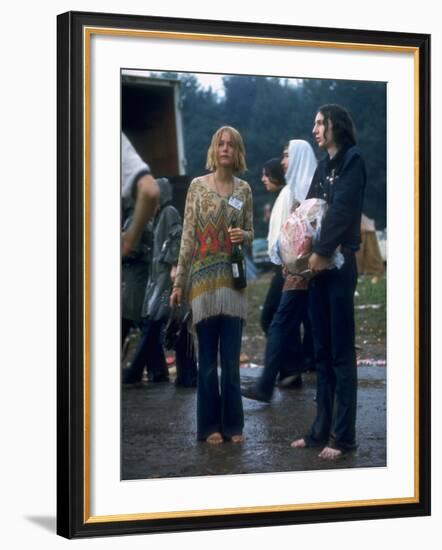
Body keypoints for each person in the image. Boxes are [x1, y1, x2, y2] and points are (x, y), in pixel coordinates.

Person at [291, 104, 366, 460]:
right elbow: (309, 211)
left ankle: (343, 436)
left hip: (339, 265)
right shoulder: (323, 167)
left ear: (336, 125)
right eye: (315, 122)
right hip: (317, 269)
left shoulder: (353, 162)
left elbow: (342, 212)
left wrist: (321, 251)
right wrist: (297, 251)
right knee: (320, 351)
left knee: (339, 353)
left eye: (321, 122)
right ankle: (320, 430)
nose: (315, 128)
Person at [170, 126, 254, 445]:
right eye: (220, 143)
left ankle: (233, 425)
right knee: (207, 363)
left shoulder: (244, 189)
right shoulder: (197, 187)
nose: (225, 148)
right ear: (213, 149)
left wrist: (243, 237)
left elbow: (250, 232)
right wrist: (179, 283)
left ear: (238, 151)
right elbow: (188, 236)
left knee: (230, 362)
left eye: (231, 144)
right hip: (202, 285)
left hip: (233, 284)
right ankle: (209, 427)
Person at [242, 140, 317, 402]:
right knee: (283, 322)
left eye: (287, 155)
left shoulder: (302, 189)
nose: (283, 161)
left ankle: (272, 381)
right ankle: (289, 371)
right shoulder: (293, 189)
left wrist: (291, 261)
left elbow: (303, 231)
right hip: (292, 267)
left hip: (297, 270)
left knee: (277, 322)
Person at [123, 178, 197, 386]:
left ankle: (134, 373)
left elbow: (176, 238)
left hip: (168, 281)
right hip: (161, 281)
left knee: (154, 326)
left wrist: (174, 265)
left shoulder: (168, 213)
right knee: (178, 328)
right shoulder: (159, 216)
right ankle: (188, 375)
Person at [121, 133, 159, 346]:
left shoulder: (151, 221)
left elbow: (140, 247)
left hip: (138, 278)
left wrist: (127, 242)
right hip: (135, 279)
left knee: (141, 321)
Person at [355, 213, 385, 283]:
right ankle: (359, 273)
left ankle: (376, 273)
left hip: (367, 223)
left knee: (372, 251)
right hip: (358, 225)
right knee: (358, 252)